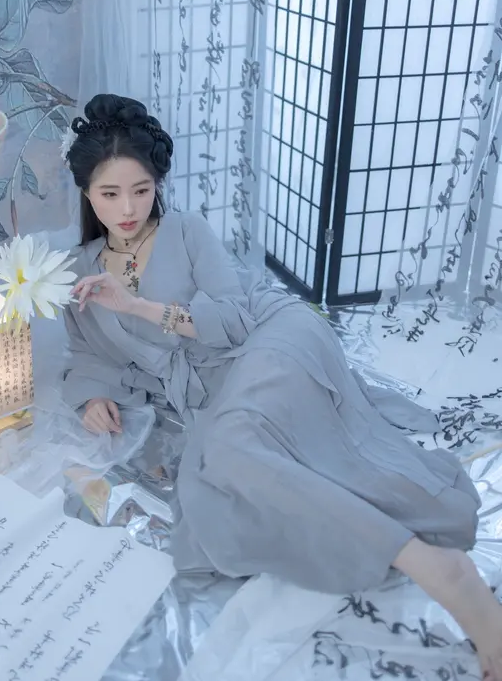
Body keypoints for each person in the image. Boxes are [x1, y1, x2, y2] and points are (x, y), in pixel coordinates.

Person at [63, 93, 502, 681]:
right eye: (110, 193)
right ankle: (411, 552)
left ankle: (438, 571)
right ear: (86, 192)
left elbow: (233, 321)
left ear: (158, 184)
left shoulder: (187, 231)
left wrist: (140, 306)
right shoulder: (80, 268)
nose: (127, 208)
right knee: (222, 480)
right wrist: (93, 394)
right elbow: (85, 350)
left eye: (141, 190)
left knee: (233, 451)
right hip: (209, 391)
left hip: (269, 339)